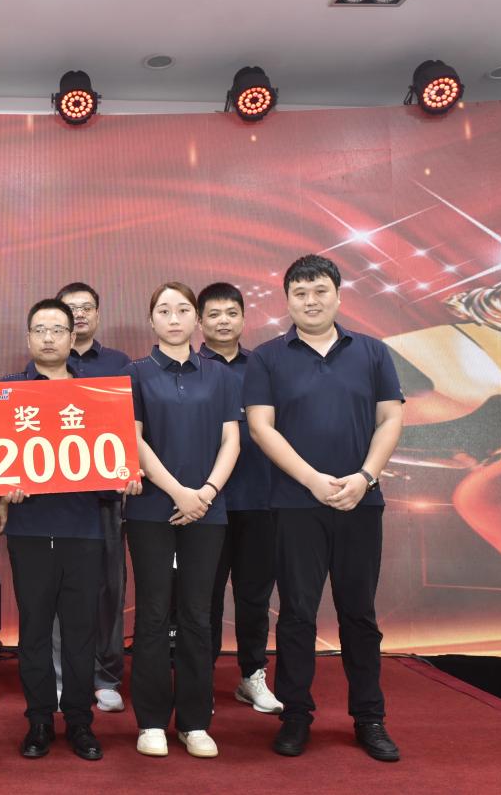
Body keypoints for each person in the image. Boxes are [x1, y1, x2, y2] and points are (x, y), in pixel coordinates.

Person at [243, 254, 405, 762]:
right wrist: (312, 480)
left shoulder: (372, 352)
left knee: (359, 614)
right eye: (300, 293)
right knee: (296, 613)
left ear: (338, 295)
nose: (310, 301)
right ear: (287, 300)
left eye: (319, 292)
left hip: (361, 501)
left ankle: (370, 718)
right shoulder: (267, 358)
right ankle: (295, 715)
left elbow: (390, 419)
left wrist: (365, 477)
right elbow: (261, 428)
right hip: (295, 503)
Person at [124, 282, 241, 759]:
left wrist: (205, 494)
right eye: (164, 311)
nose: (174, 319)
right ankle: (151, 721)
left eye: (182, 310)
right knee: (153, 614)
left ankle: (195, 722)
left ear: (196, 319)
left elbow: (231, 441)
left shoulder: (221, 375)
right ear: (151, 319)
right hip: (151, 509)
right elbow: (134, 440)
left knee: (197, 614)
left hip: (208, 511)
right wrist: (178, 492)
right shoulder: (134, 373)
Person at [0, 299, 107, 762]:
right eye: (39, 330)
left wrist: (125, 476)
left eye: (57, 330)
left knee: (81, 631)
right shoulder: (7, 393)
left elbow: (111, 461)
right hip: (30, 529)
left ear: (72, 336)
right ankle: (39, 719)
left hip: (83, 528)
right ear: (28, 338)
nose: (48, 338)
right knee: (35, 630)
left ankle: (80, 720)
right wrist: (4, 491)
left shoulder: (96, 394)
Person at [198, 282, 283, 715]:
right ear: (200, 321)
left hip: (260, 498)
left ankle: (252, 675)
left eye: (231, 313)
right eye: (213, 314)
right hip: (204, 502)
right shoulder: (190, 369)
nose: (223, 321)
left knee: (254, 596)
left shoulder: (262, 367)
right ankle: (201, 681)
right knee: (203, 599)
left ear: (244, 319)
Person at [55, 282, 131, 714]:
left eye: (86, 308)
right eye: (70, 309)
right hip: (56, 498)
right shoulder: (43, 365)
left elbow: (131, 427)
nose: (79, 314)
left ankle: (106, 676)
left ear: (98, 314)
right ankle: (63, 676)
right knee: (56, 590)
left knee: (109, 588)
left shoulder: (119, 364)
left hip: (104, 496)